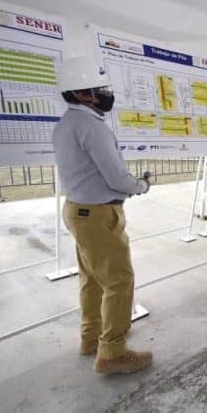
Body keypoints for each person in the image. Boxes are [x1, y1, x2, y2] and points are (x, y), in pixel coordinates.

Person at [52, 56, 153, 375]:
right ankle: (113, 352)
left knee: (92, 280)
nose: (107, 94)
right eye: (101, 89)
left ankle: (91, 338)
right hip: (97, 215)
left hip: (78, 211)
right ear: (83, 94)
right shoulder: (92, 128)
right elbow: (117, 178)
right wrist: (141, 186)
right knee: (119, 281)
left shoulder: (66, 124)